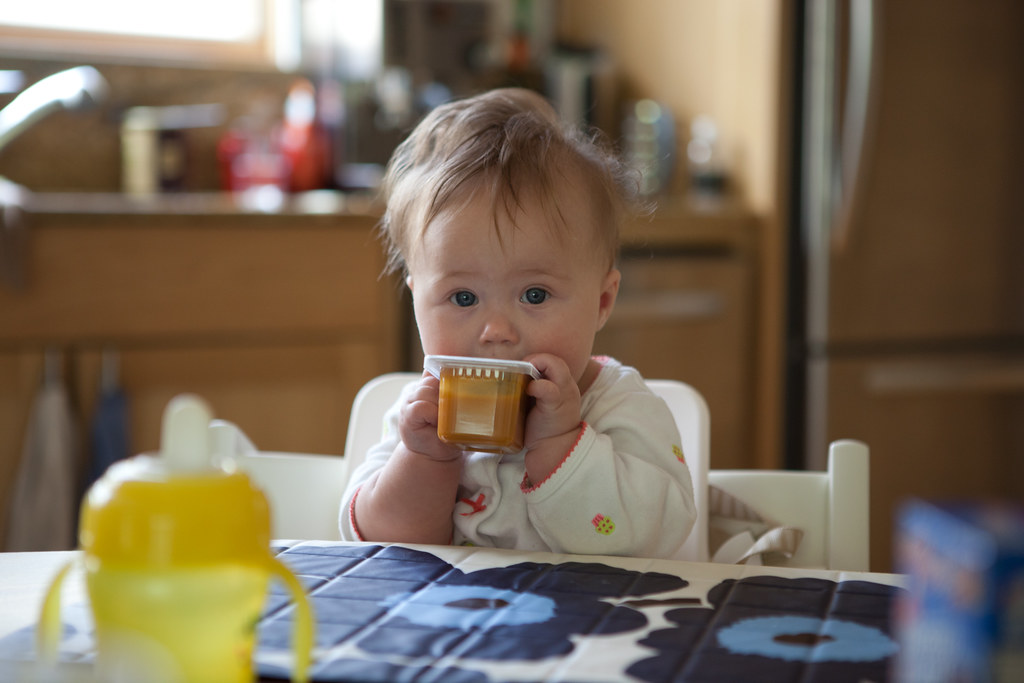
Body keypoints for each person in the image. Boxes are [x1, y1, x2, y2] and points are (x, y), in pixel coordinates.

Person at [339, 88, 696, 559]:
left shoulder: (621, 409)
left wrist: (561, 444)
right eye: (463, 297)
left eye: (534, 295)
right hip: (453, 625)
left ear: (602, 300)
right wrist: (425, 461)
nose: (496, 330)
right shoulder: (421, 417)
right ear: (416, 303)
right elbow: (375, 542)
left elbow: (656, 537)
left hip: (593, 626)